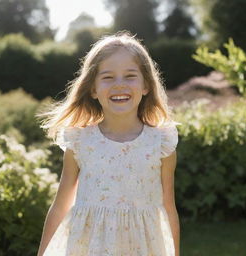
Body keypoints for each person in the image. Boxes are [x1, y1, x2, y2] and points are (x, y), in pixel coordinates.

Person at [36, 31, 181, 256]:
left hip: (142, 248)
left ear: (146, 86)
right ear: (93, 89)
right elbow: (60, 206)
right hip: (88, 247)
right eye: (108, 77)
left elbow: (168, 208)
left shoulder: (160, 143)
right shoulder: (81, 142)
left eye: (130, 76)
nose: (119, 85)